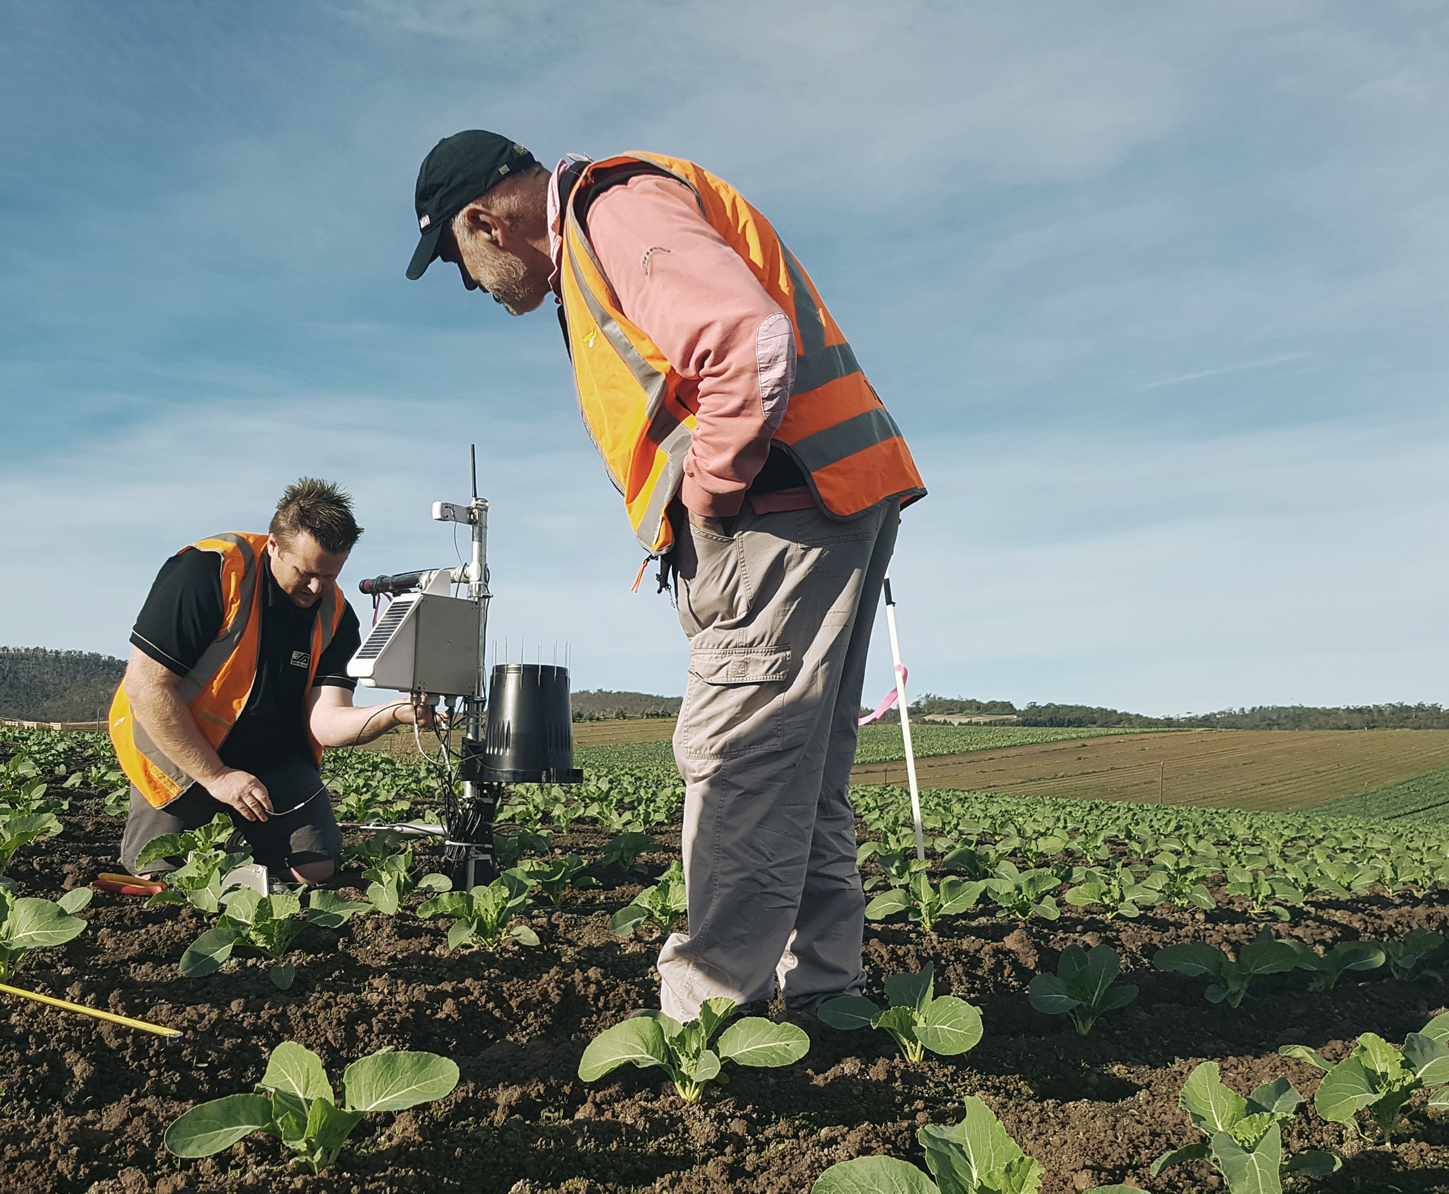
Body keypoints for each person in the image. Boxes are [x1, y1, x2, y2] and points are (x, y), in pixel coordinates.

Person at [406, 132, 927, 1023]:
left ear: (484, 221)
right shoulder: (611, 221)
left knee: (738, 763)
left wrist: (712, 497)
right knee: (799, 775)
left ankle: (705, 1027)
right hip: (827, 502)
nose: (473, 288)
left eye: (458, 265)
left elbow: (744, 340)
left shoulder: (612, 211)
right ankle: (826, 1001)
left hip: (777, 514)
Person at [108, 478, 430, 884]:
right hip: (183, 747)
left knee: (314, 872)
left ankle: (249, 848)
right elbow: (147, 686)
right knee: (165, 880)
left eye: (330, 576)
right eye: (306, 572)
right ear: (274, 546)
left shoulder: (336, 615)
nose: (316, 588)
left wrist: (395, 711)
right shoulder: (209, 571)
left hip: (271, 758)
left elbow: (325, 721)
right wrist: (217, 776)